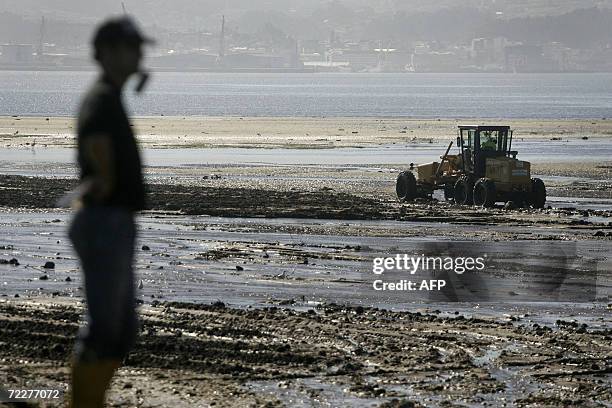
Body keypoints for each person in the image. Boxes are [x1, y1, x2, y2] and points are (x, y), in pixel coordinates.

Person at [67, 16, 153, 407]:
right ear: (109, 53)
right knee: (104, 330)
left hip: (113, 221)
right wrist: (103, 183)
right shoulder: (101, 100)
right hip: (104, 221)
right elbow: (100, 162)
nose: (140, 54)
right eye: (133, 47)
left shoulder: (110, 96)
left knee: (119, 331)